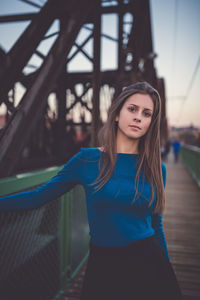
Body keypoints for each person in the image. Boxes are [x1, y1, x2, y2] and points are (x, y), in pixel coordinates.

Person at [0, 82, 182, 300]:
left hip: (147, 261)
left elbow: (156, 224)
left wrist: (166, 271)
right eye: (132, 109)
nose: (138, 117)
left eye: (147, 113)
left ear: (151, 123)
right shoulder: (86, 160)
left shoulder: (156, 168)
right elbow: (37, 197)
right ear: (116, 114)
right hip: (104, 263)